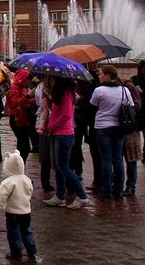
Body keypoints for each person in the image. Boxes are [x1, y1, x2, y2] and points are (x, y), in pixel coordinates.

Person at [41, 76, 90, 209]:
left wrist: (52, 126)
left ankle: (82, 196)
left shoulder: (66, 94)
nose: (50, 81)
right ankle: (60, 195)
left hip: (64, 134)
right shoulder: (59, 93)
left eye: (52, 79)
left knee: (64, 167)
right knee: (57, 167)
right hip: (57, 133)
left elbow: (66, 115)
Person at [90, 64, 134, 199]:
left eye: (101, 74)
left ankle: (106, 189)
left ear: (108, 76)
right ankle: (118, 190)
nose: (99, 76)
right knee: (118, 159)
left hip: (102, 127)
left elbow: (93, 106)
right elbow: (130, 106)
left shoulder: (99, 90)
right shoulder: (124, 90)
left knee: (106, 159)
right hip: (119, 127)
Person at [0, 150, 38, 263]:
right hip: (26, 211)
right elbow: (30, 192)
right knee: (26, 231)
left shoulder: (8, 182)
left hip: (12, 213)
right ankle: (32, 250)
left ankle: (16, 253)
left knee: (13, 233)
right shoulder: (27, 179)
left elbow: (0, 197)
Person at [5, 69, 35, 163]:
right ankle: (19, 163)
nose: (28, 82)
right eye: (27, 79)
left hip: (23, 119)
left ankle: (20, 164)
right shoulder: (14, 88)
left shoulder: (23, 88)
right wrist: (28, 97)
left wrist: (34, 100)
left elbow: (24, 102)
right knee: (23, 145)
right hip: (17, 119)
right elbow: (15, 103)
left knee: (23, 145)